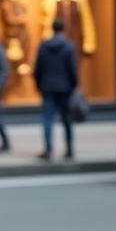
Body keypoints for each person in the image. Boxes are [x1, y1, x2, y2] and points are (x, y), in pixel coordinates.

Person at [33, 17, 79, 160]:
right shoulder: (69, 46)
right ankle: (69, 148)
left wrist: (39, 85)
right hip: (65, 87)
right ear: (63, 28)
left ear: (52, 29)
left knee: (48, 119)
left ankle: (48, 149)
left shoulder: (43, 46)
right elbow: (73, 69)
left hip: (48, 86)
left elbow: (37, 69)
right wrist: (74, 85)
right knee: (67, 119)